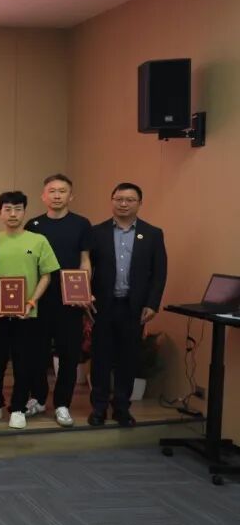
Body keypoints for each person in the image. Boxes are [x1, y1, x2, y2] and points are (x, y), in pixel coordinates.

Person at [87, 182, 167, 427]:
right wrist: (85, 295)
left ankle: (122, 408)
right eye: (119, 199)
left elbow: (159, 273)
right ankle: (98, 408)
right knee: (100, 358)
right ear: (112, 201)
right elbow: (85, 268)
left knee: (128, 359)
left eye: (130, 200)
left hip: (134, 307)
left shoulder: (152, 234)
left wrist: (152, 303)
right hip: (103, 305)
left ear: (139, 203)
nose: (123, 204)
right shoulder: (96, 232)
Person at [0, 191, 59, 429]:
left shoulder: (38, 240)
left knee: (24, 362)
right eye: (7, 209)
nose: (13, 214)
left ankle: (18, 408)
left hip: (27, 313)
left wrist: (32, 301)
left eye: (17, 209)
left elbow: (46, 275)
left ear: (25, 211)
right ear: (0, 212)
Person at [25, 174, 92, 427]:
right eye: (52, 191)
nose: (56, 195)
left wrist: (84, 291)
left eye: (62, 191)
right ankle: (38, 398)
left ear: (70, 196)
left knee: (69, 355)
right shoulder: (33, 225)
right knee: (36, 353)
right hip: (40, 299)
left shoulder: (81, 224)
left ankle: (63, 404)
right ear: (43, 196)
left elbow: (85, 260)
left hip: (70, 302)